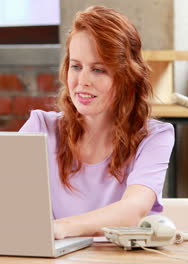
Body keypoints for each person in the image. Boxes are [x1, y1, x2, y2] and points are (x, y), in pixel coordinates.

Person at [19, 5, 174, 239]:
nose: (82, 81)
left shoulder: (155, 137)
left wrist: (60, 228)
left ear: (126, 77)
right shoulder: (40, 128)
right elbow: (0, 198)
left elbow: (133, 210)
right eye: (76, 66)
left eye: (98, 70)